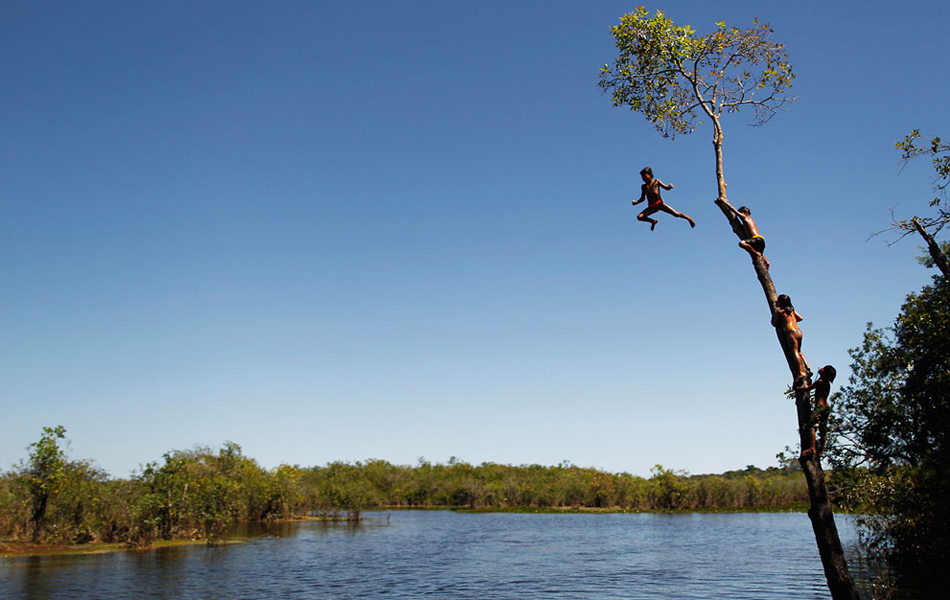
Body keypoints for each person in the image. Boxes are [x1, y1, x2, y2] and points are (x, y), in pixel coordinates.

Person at [797, 365, 837, 458]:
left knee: (811, 427)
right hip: (826, 408)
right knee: (822, 430)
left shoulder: (820, 382)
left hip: (819, 407)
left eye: (823, 368)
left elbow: (807, 389)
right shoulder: (827, 383)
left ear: (825, 373)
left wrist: (797, 389)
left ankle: (812, 449)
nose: (821, 368)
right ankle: (821, 451)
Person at [771, 294, 810, 384]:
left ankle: (801, 373)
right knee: (799, 351)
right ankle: (807, 366)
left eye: (778, 301)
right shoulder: (791, 311)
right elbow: (800, 318)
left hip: (790, 331)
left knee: (794, 352)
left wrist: (772, 321)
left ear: (781, 302)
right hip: (798, 331)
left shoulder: (780, 312)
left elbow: (775, 323)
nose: (776, 302)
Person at [722, 201, 769, 269]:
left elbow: (734, 210)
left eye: (741, 213)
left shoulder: (745, 217)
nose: (741, 214)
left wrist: (724, 202)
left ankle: (755, 253)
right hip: (761, 240)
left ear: (745, 213)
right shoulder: (750, 220)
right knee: (761, 255)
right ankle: (766, 262)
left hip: (756, 239)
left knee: (742, 243)